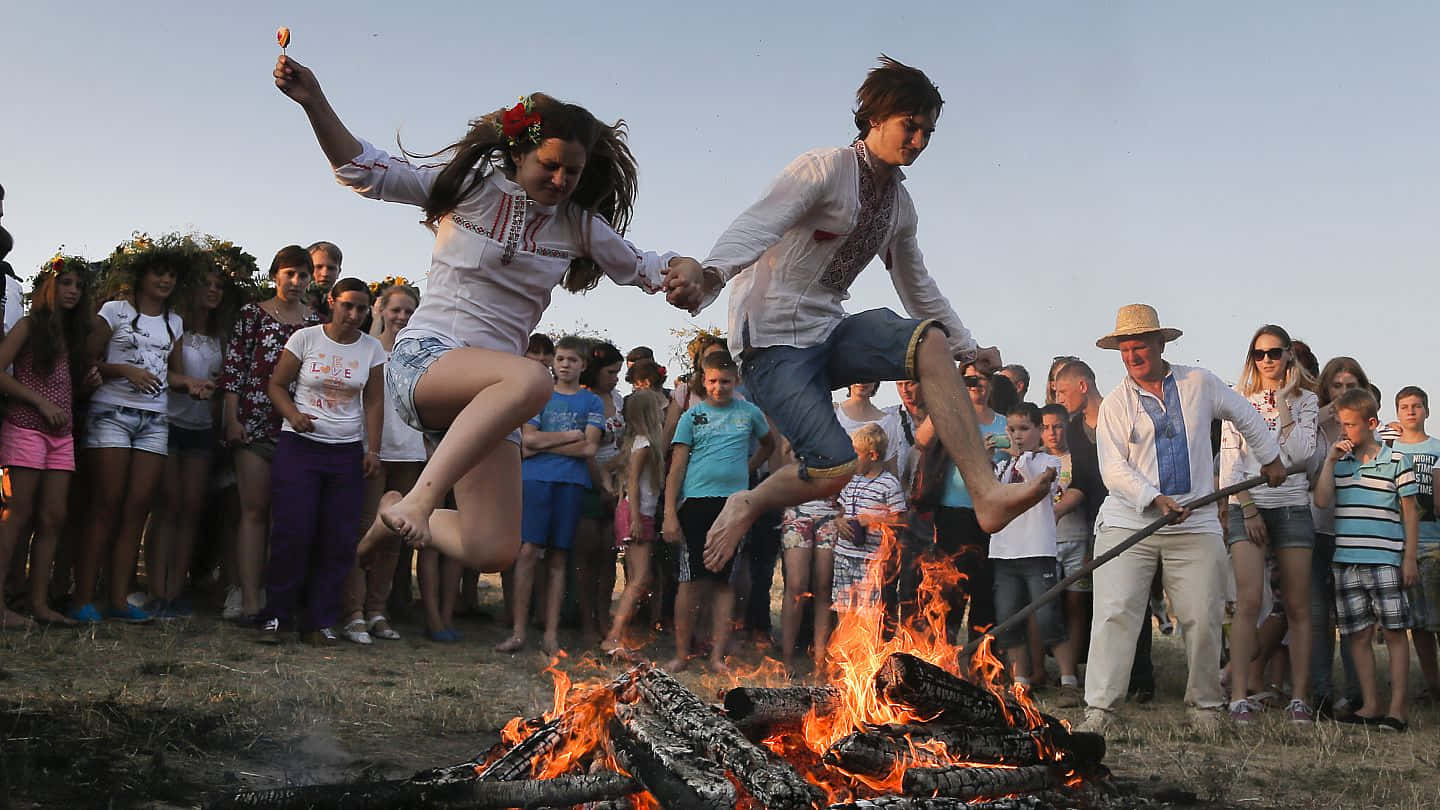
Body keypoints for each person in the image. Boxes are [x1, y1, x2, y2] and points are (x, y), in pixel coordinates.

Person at [274, 55, 706, 577]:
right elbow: (362, 169)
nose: (562, 179)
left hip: (494, 399)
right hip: (430, 361)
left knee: (492, 549)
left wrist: (686, 270)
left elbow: (649, 268)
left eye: (573, 170)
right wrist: (313, 102)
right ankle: (420, 500)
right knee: (532, 378)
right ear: (519, 153)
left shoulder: (580, 228)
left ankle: (395, 510)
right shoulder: (470, 185)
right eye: (549, 165)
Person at [681, 56, 1049, 573]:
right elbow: (759, 223)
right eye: (910, 126)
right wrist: (712, 274)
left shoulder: (899, 206)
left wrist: (969, 348)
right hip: (770, 341)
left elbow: (917, 284)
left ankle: (987, 494)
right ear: (875, 118)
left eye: (928, 132)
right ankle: (749, 500)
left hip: (829, 330)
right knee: (835, 469)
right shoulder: (825, 167)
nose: (919, 141)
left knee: (932, 342)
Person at [1079, 305, 1285, 735]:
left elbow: (1245, 415)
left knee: (1203, 614)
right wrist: (1154, 499)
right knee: (1115, 612)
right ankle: (1100, 709)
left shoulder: (1199, 382)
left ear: (1161, 344)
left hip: (1196, 522)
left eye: (1140, 346)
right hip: (1128, 522)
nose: (1133, 355)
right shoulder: (1116, 404)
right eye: (1125, 348)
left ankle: (1206, 707)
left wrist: (1270, 458)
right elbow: (1113, 470)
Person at [73, 236, 209, 624]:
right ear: (141, 277)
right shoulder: (114, 311)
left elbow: (172, 372)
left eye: (170, 275)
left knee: (137, 510)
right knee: (106, 505)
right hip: (112, 412)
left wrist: (191, 385)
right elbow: (87, 357)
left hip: (155, 419)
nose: (164, 281)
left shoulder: (175, 322)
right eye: (157, 273)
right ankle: (83, 597)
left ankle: (118, 599)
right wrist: (123, 370)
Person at [259, 278, 386, 643]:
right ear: (332, 302)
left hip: (346, 451)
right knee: (292, 532)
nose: (354, 314)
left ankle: (320, 621)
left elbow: (374, 401)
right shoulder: (305, 339)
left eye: (361, 309)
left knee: (337, 539)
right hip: (299, 445)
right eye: (347, 305)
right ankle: (277, 617)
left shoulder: (371, 349)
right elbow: (277, 385)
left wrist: (372, 449)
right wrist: (293, 415)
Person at [1217, 325, 1320, 724]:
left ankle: (1299, 697)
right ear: (1251, 358)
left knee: (1296, 604)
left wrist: (1286, 410)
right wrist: (1247, 507)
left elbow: (1301, 455)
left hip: (1293, 504)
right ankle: (1239, 694)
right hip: (1251, 505)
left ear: (1288, 357)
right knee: (1249, 602)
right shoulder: (1237, 402)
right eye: (1259, 354)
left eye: (1275, 353)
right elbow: (1230, 464)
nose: (1267, 361)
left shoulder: (1307, 401)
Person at [220, 246, 320, 621]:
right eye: (289, 273)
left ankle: (281, 599)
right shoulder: (252, 315)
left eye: (303, 275)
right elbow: (235, 370)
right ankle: (249, 598)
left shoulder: (316, 323)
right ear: (276, 274)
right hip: (254, 424)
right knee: (253, 512)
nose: (296, 282)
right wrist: (231, 420)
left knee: (288, 517)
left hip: (300, 429)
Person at [1313, 389, 1419, 732]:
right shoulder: (1340, 463)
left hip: (1385, 559)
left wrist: (1409, 559)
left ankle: (1398, 708)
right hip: (1346, 561)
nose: (1344, 431)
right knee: (1357, 635)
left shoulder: (1396, 462)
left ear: (1371, 423)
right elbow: (1321, 501)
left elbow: (1410, 513)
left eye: (1350, 425)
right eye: (1341, 425)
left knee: (1393, 633)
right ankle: (1371, 704)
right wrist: (1328, 461)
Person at [662, 351, 774, 673]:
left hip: (733, 506)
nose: (718, 387)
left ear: (736, 380)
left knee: (725, 582)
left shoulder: (750, 413)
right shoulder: (692, 416)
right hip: (696, 503)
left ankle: (716, 657)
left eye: (725, 381)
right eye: (712, 381)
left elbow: (769, 444)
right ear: (703, 379)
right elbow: (677, 467)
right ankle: (682, 655)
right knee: (690, 580)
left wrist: (749, 470)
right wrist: (670, 513)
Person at [0, 256, 93, 627]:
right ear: (48, 286)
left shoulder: (73, 335)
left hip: (61, 435)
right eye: (66, 282)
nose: (72, 291)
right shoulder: (28, 326)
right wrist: (39, 402)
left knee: (54, 516)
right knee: (16, 514)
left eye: (78, 286)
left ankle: (39, 604)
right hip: (25, 427)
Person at [143, 262, 237, 617]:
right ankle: (156, 589)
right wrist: (186, 383)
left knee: (189, 510)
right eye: (206, 284)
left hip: (201, 428)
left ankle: (176, 589)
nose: (213, 290)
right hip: (167, 422)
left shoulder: (222, 336)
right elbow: (162, 369)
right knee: (166, 507)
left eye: (218, 285)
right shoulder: (174, 326)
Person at [499, 336, 603, 655]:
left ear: (583, 365)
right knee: (528, 551)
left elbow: (589, 447)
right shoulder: (540, 395)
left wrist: (547, 442)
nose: (564, 365)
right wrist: (567, 436)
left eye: (572, 360)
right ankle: (518, 631)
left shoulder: (592, 403)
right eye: (560, 359)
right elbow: (527, 441)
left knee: (559, 557)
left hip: (571, 483)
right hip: (535, 480)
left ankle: (551, 635)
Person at [341, 283, 424, 644]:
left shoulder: (424, 353)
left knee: (394, 536)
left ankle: (377, 610)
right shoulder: (367, 348)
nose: (402, 318)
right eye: (396, 310)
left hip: (411, 451)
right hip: (372, 449)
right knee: (364, 531)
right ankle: (352, 612)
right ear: (381, 309)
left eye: (409, 312)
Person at [1310, 356, 1371, 713]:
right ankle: (1321, 691)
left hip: (1355, 532)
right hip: (1319, 527)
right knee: (1319, 617)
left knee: (1354, 620)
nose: (1344, 392)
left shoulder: (1366, 427)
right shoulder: (1315, 425)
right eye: (1337, 385)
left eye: (1351, 386)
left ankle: (1356, 693)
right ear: (1326, 388)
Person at [989, 404, 1063, 687]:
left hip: (1037, 549)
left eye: (1024, 429)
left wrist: (1017, 456)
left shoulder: (1049, 462)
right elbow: (991, 494)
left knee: (1047, 617)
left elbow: (1038, 484)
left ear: (1039, 431)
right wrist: (987, 459)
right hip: (1004, 551)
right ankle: (1020, 679)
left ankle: (1067, 678)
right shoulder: (1002, 465)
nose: (1017, 436)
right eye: (1011, 430)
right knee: (1008, 617)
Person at [601, 388, 669, 658]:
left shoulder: (637, 443)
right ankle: (614, 635)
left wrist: (614, 494)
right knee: (639, 579)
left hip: (636, 510)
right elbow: (632, 482)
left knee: (639, 577)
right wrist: (635, 517)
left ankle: (619, 631)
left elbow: (611, 468)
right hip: (639, 513)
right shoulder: (644, 444)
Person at [1391, 386, 1440, 701]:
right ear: (1397, 412)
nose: (1411, 411)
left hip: (1434, 543)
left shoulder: (1437, 448)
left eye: (1417, 406)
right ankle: (1433, 685)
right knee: (1418, 624)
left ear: (1427, 411)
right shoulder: (1388, 449)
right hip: (1400, 544)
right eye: (1405, 406)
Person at [575, 340, 626, 645]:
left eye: (618, 372)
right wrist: (602, 484)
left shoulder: (619, 400)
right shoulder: (583, 400)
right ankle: (585, 622)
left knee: (609, 556)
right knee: (586, 556)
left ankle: (603, 617)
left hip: (617, 484)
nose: (615, 377)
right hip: (587, 482)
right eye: (610, 371)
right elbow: (587, 450)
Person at [829, 424, 907, 621]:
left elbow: (901, 519)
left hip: (871, 560)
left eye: (856, 454)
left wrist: (873, 519)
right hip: (844, 555)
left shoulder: (889, 484)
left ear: (872, 456)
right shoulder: (850, 479)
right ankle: (844, 650)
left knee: (869, 613)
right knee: (844, 609)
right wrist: (839, 521)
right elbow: (840, 508)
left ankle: (866, 650)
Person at [1040, 403, 1089, 705]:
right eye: (1045, 427)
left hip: (1078, 538)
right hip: (1044, 543)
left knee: (1076, 607)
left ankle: (1070, 676)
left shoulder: (1079, 459)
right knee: (1047, 609)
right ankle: (1039, 670)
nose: (1052, 433)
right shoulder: (1034, 460)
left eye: (1058, 426)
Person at [306, 241, 343, 320]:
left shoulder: (345, 305)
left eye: (331, 268)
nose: (325, 273)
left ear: (339, 272)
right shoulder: (290, 301)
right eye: (318, 267)